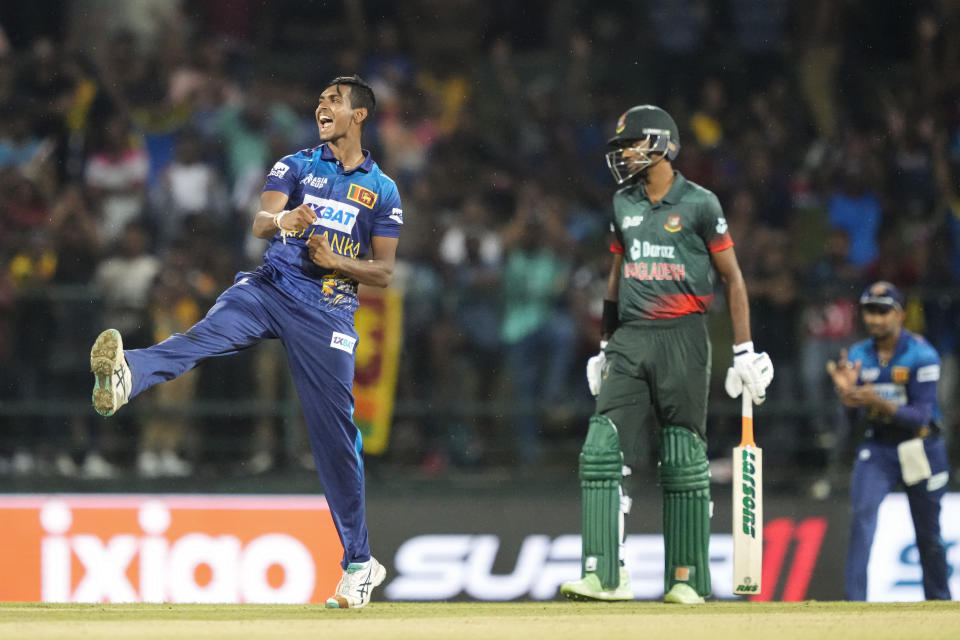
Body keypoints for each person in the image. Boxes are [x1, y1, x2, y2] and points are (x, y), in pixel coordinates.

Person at [89, 75, 400, 609]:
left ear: (360, 115)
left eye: (334, 99)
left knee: (333, 438)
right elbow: (260, 221)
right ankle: (127, 375)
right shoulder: (297, 164)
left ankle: (359, 562)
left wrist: (337, 262)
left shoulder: (384, 189)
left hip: (327, 311)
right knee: (204, 335)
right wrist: (285, 219)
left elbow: (384, 272)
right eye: (320, 97)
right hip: (269, 288)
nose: (321, 104)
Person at [559, 104, 774, 604]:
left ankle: (687, 578)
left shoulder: (700, 203)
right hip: (631, 336)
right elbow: (616, 278)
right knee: (601, 448)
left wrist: (744, 350)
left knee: (681, 455)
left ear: (662, 144)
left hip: (684, 335)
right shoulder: (622, 203)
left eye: (631, 144)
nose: (625, 154)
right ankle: (604, 575)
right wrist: (606, 344)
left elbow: (733, 277)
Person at [827, 281, 951, 601]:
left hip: (920, 447)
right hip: (879, 447)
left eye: (883, 311)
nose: (875, 319)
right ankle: (854, 605)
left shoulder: (921, 354)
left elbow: (920, 416)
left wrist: (875, 400)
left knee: (929, 536)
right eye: (870, 311)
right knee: (861, 520)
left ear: (900, 314)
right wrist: (847, 396)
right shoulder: (857, 355)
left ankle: (939, 604)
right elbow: (850, 422)